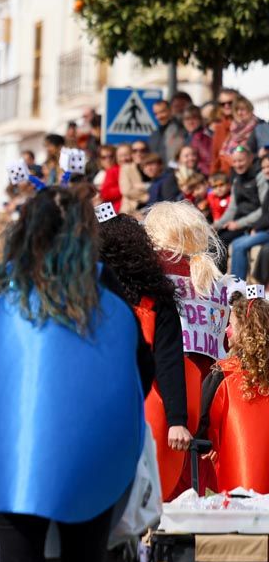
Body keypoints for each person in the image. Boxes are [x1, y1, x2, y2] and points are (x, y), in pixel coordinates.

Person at [0, 187, 153, 562]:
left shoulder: (1, 284)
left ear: (27, 230)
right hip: (95, 450)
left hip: (14, 452)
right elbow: (143, 366)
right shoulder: (104, 284)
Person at [97, 212, 191, 497]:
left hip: (99, 404)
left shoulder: (91, 297)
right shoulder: (157, 299)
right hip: (146, 406)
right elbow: (169, 360)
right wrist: (177, 420)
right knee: (145, 497)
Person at [144, 201, 232, 496]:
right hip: (207, 391)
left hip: (166, 392)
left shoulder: (155, 274)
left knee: (163, 490)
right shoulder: (213, 279)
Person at [196, 292, 269, 493]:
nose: (227, 330)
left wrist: (208, 446)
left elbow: (199, 424)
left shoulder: (223, 373)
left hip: (235, 483)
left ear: (245, 330)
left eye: (231, 324)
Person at [226, 155, 269, 280]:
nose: (266, 170)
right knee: (235, 243)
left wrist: (256, 228)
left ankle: (237, 288)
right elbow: (265, 213)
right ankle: (235, 285)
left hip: (266, 231)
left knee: (239, 245)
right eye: (264, 167)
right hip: (263, 229)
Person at [214, 145, 264, 246]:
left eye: (241, 161)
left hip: (252, 224)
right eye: (235, 162)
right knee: (213, 239)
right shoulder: (236, 181)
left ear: (250, 159)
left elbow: (264, 209)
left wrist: (238, 224)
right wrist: (216, 225)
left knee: (221, 241)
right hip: (237, 222)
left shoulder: (260, 177)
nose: (237, 165)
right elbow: (232, 209)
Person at [210, 88, 240, 174]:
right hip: (225, 178)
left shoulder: (248, 125)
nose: (226, 106)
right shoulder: (219, 128)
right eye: (222, 104)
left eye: (230, 103)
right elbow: (215, 158)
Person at [149, 100, 187, 164]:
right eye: (156, 114)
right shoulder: (154, 134)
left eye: (162, 112)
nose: (159, 117)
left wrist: (174, 167)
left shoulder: (180, 130)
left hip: (174, 171)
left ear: (170, 111)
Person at [119, 141, 151, 214]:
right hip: (130, 211)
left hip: (150, 211)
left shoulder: (153, 168)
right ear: (131, 153)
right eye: (134, 151)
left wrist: (145, 186)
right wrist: (148, 196)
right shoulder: (126, 168)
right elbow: (126, 191)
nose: (138, 153)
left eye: (142, 150)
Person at [97, 144, 128, 214]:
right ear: (99, 160)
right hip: (103, 211)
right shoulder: (98, 174)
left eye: (111, 156)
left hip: (116, 211)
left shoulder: (117, 170)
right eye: (103, 157)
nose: (108, 160)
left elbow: (105, 194)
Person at [182, 106, 213, 176]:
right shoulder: (185, 137)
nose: (190, 122)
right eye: (187, 119)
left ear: (200, 120)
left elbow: (208, 161)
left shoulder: (203, 137)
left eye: (194, 118)